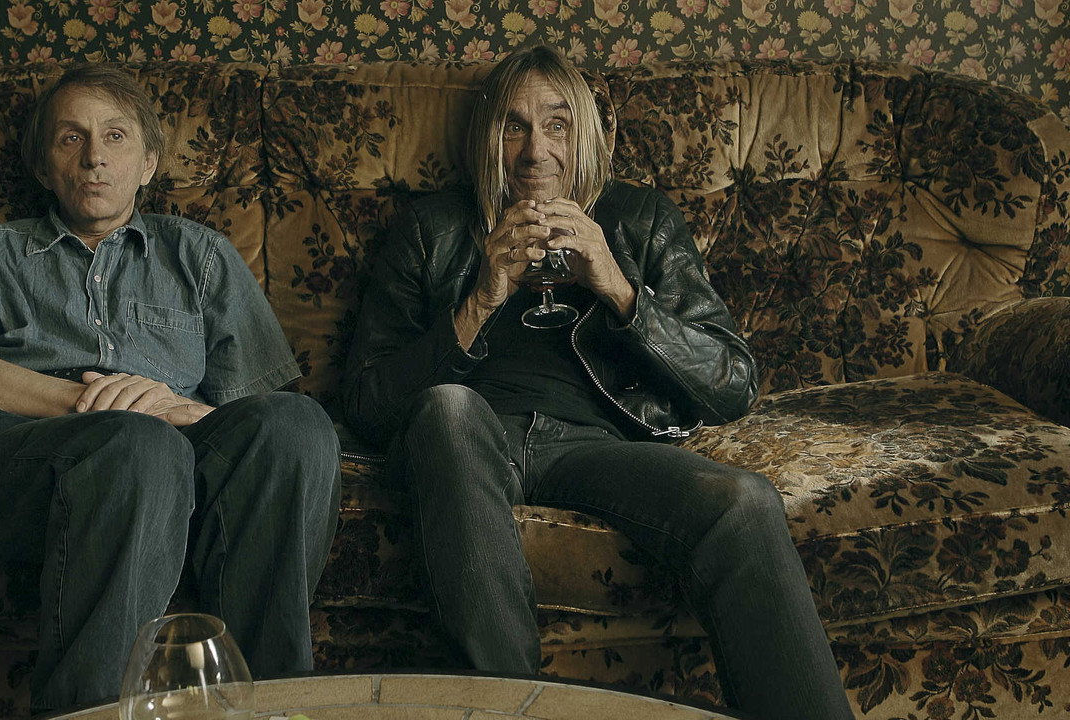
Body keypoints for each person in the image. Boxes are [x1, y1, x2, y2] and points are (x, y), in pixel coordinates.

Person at [342, 46, 854, 719]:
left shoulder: (641, 219)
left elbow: (732, 382)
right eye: (515, 127)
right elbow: (367, 402)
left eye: (556, 126)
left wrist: (616, 284)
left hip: (594, 447)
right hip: (470, 436)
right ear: (486, 139)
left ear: (583, 135)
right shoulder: (429, 229)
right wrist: (482, 296)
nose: (536, 152)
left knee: (744, 500)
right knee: (450, 408)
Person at [0, 64, 341, 716]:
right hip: (14, 445)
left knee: (295, 424)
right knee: (135, 444)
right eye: (71, 138)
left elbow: (252, 411)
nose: (94, 157)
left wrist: (176, 409)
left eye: (116, 136)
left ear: (148, 162)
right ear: (44, 166)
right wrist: (90, 404)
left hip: (167, 446)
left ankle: (270, 704)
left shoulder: (201, 256)